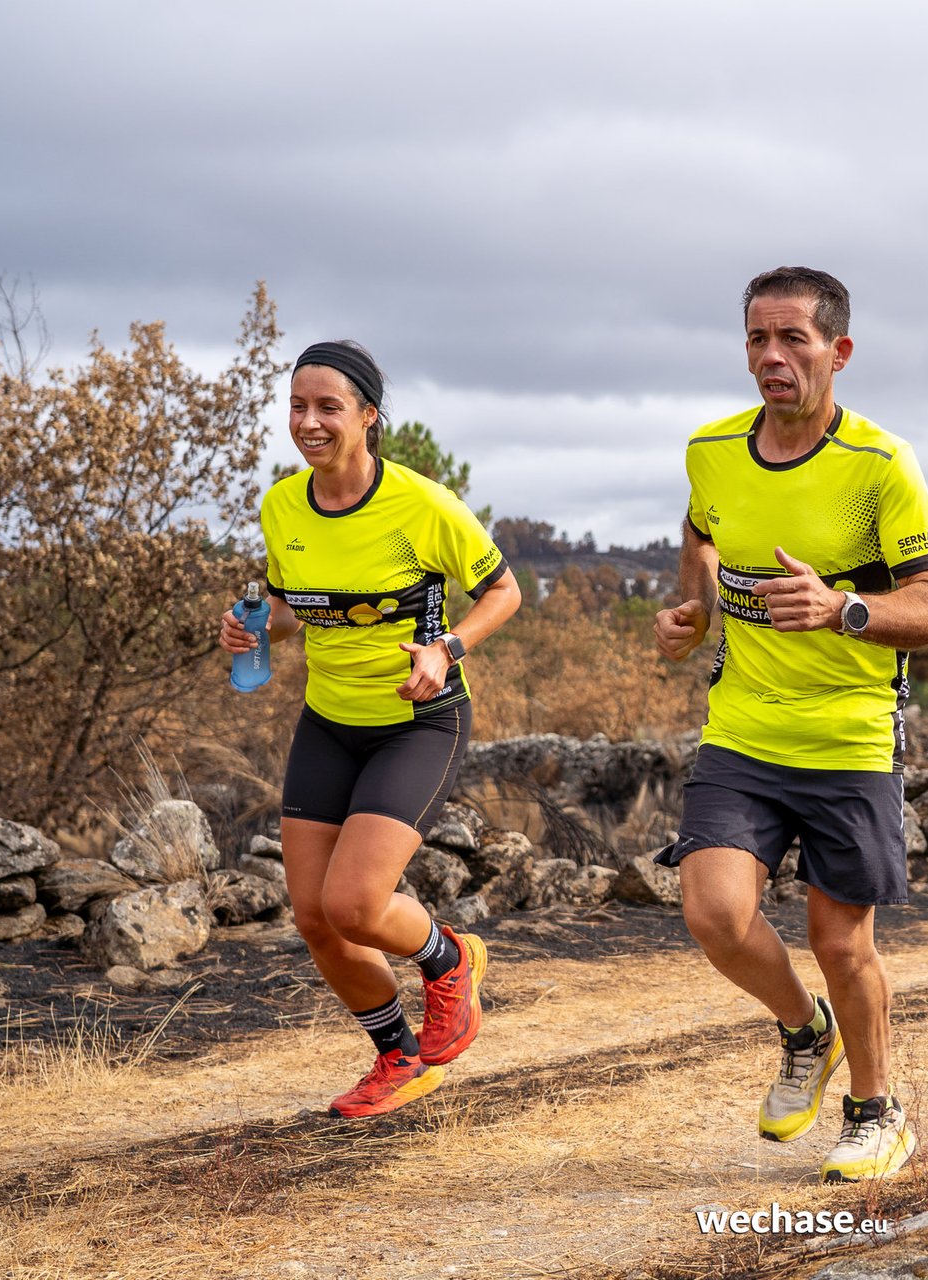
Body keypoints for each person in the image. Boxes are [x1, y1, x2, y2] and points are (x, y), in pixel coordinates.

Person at [653, 268, 928, 1182]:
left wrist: (843, 610)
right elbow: (700, 528)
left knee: (839, 943)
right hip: (743, 728)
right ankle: (803, 1030)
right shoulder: (711, 448)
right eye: (758, 339)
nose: (773, 357)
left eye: (794, 339)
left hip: (849, 737)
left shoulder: (880, 465)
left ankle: (877, 1112)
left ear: (839, 351)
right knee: (713, 913)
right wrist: (695, 609)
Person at [218, 340, 522, 1118]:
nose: (309, 422)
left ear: (368, 416)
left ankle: (451, 959)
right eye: (297, 406)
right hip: (328, 723)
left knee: (355, 903)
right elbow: (290, 609)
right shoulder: (282, 506)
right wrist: (254, 628)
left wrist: (447, 649)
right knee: (317, 919)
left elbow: (504, 593)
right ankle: (399, 1058)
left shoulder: (423, 504)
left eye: (328, 407)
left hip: (418, 723)